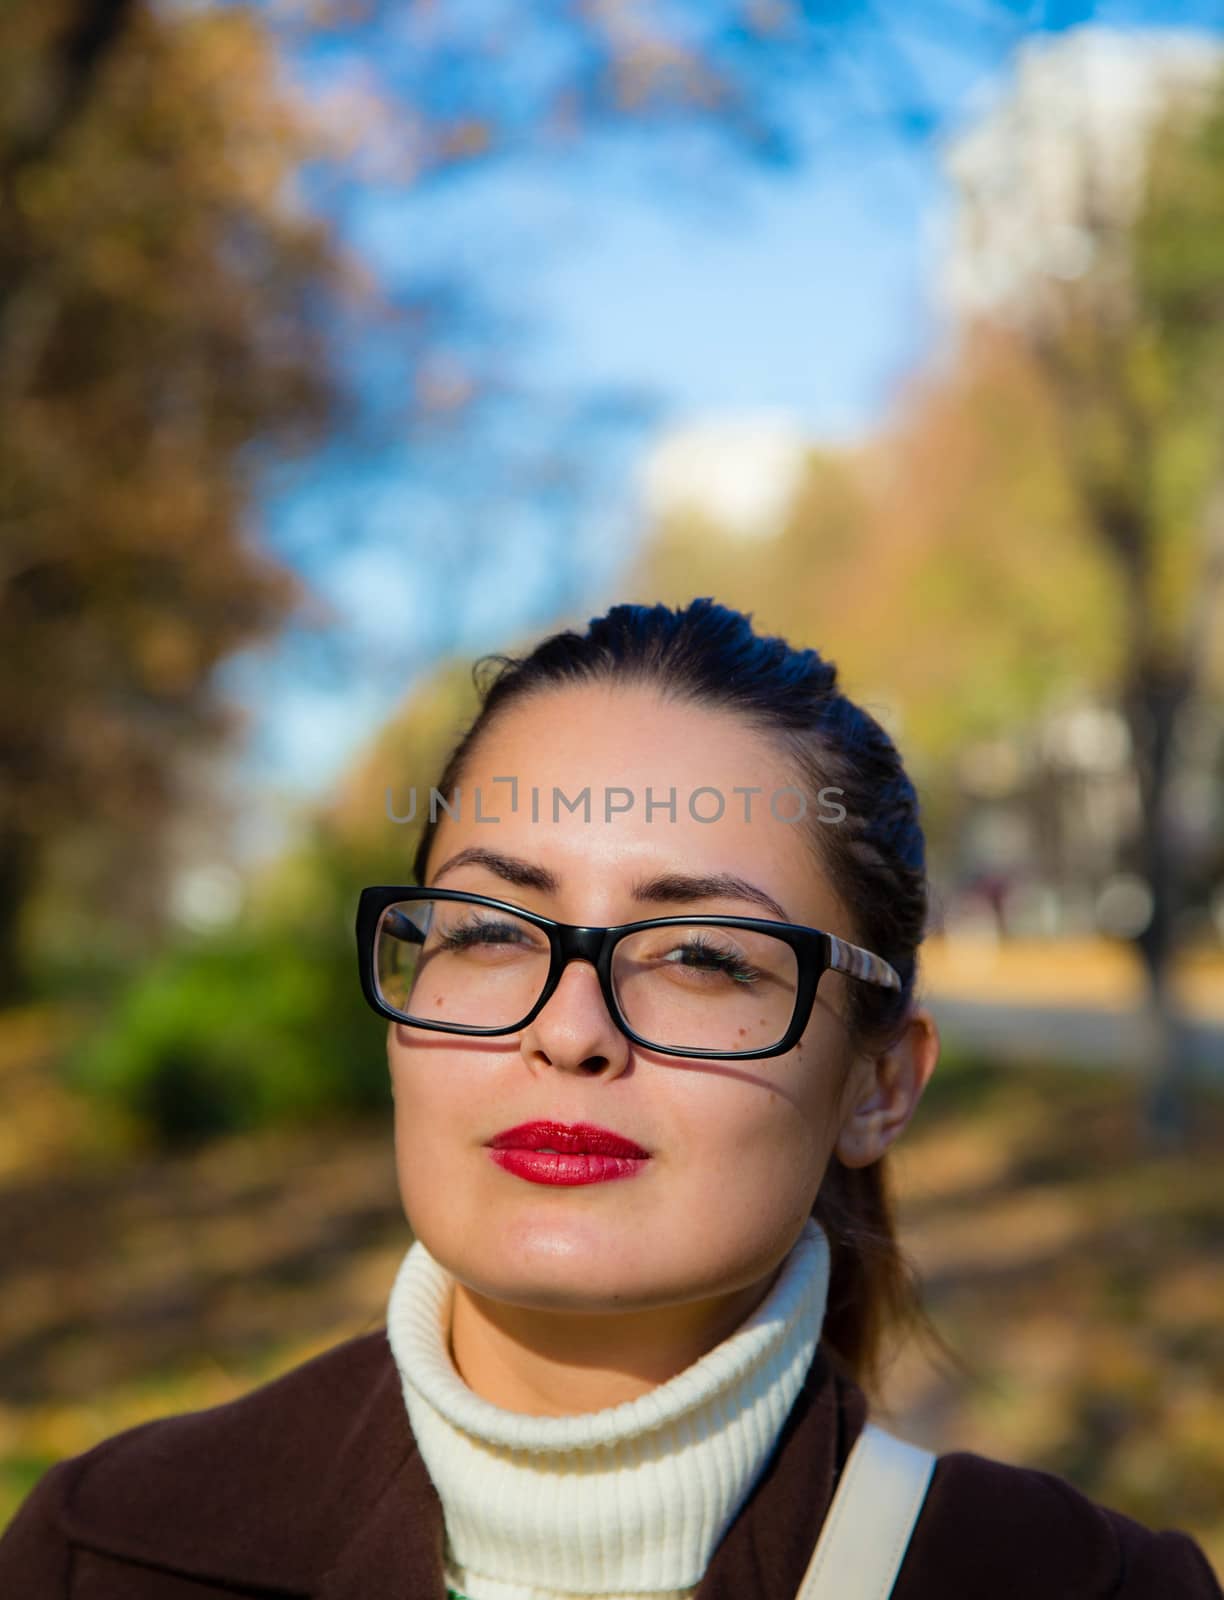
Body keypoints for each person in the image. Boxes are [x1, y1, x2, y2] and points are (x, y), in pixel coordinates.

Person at [1, 597, 1219, 1599]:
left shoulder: (1083, 1589)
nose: (567, 1029)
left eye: (700, 956)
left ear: (879, 1083)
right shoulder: (102, 1555)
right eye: (487, 930)